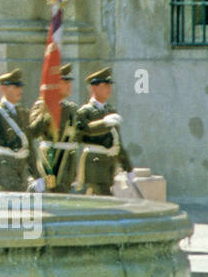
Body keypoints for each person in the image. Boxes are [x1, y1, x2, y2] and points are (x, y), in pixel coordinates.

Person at [70, 67, 135, 196]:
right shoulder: (85, 111)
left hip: (108, 164)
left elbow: (117, 141)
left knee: (95, 201)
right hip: (94, 163)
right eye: (105, 85)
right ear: (94, 88)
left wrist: (128, 167)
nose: (109, 88)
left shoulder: (110, 110)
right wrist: (104, 123)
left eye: (110, 85)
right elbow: (83, 131)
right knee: (106, 199)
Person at [28, 63, 77, 192]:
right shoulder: (42, 105)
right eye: (64, 82)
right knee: (51, 195)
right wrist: (47, 113)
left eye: (69, 82)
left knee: (65, 198)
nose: (69, 86)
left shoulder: (71, 107)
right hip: (49, 164)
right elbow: (32, 132)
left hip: (67, 167)